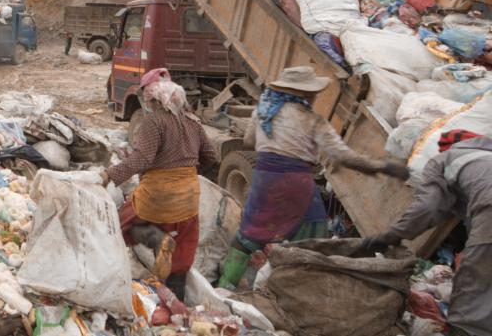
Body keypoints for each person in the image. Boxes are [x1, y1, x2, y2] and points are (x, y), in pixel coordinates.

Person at [217, 65, 411, 289]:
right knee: (313, 237)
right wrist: (383, 167)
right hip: (296, 183)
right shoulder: (312, 120)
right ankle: (300, 287)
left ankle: (224, 287)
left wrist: (272, 142)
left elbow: (249, 141)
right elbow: (344, 156)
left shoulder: (262, 111)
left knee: (248, 235)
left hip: (264, 181)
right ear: (306, 93)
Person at [361, 130, 491, 336]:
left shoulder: (446, 159)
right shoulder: (484, 159)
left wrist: (393, 235)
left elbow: (429, 207)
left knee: (473, 289)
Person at [103, 67, 217, 300]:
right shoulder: (194, 122)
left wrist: (109, 175)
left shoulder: (153, 122)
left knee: (120, 224)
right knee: (181, 251)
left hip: (157, 196)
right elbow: (211, 157)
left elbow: (142, 159)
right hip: (188, 198)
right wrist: (187, 173)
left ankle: (156, 239)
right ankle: (176, 307)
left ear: (153, 99)